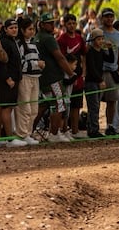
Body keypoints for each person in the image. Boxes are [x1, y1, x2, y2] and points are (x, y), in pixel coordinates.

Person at [35, 12, 76, 143]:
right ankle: (54, 133)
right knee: (59, 104)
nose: (52, 25)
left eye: (53, 22)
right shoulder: (48, 38)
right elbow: (60, 57)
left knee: (44, 105)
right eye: (49, 23)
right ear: (42, 24)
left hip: (43, 77)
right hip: (52, 78)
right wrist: (71, 73)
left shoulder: (37, 37)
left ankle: (29, 132)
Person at [0, 20, 26, 147]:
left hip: (10, 79)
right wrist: (7, 78)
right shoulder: (5, 42)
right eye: (11, 28)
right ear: (5, 29)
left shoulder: (11, 40)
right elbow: (1, 62)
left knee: (1, 108)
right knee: (7, 108)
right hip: (6, 80)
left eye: (16, 27)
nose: (14, 29)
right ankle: (10, 139)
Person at [56, 14, 87, 139]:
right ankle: (64, 130)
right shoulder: (61, 40)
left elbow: (84, 54)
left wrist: (83, 72)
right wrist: (69, 74)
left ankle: (75, 130)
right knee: (65, 105)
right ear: (64, 24)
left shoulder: (80, 38)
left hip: (78, 76)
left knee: (76, 105)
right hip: (66, 77)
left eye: (74, 23)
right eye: (69, 23)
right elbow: (60, 59)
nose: (72, 26)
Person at [14, 17, 44, 145]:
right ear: (23, 30)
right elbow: (20, 65)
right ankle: (21, 134)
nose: (32, 31)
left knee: (34, 109)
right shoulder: (20, 45)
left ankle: (28, 133)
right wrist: (37, 64)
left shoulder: (33, 44)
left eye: (33, 29)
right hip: (25, 79)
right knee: (24, 108)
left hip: (35, 79)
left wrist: (40, 65)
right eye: (30, 29)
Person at [96, 7, 119, 135]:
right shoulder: (97, 32)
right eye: (106, 16)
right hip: (99, 72)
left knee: (112, 101)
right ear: (102, 18)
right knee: (96, 101)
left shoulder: (118, 35)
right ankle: (94, 126)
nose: (109, 19)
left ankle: (110, 126)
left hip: (113, 72)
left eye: (111, 16)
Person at [84, 29, 110, 138]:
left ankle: (93, 128)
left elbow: (110, 59)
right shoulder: (90, 52)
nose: (101, 41)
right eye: (98, 39)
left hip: (97, 81)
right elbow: (92, 68)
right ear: (93, 40)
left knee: (97, 105)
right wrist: (100, 80)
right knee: (93, 106)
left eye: (102, 39)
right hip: (91, 82)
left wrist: (109, 48)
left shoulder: (101, 51)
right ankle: (93, 129)